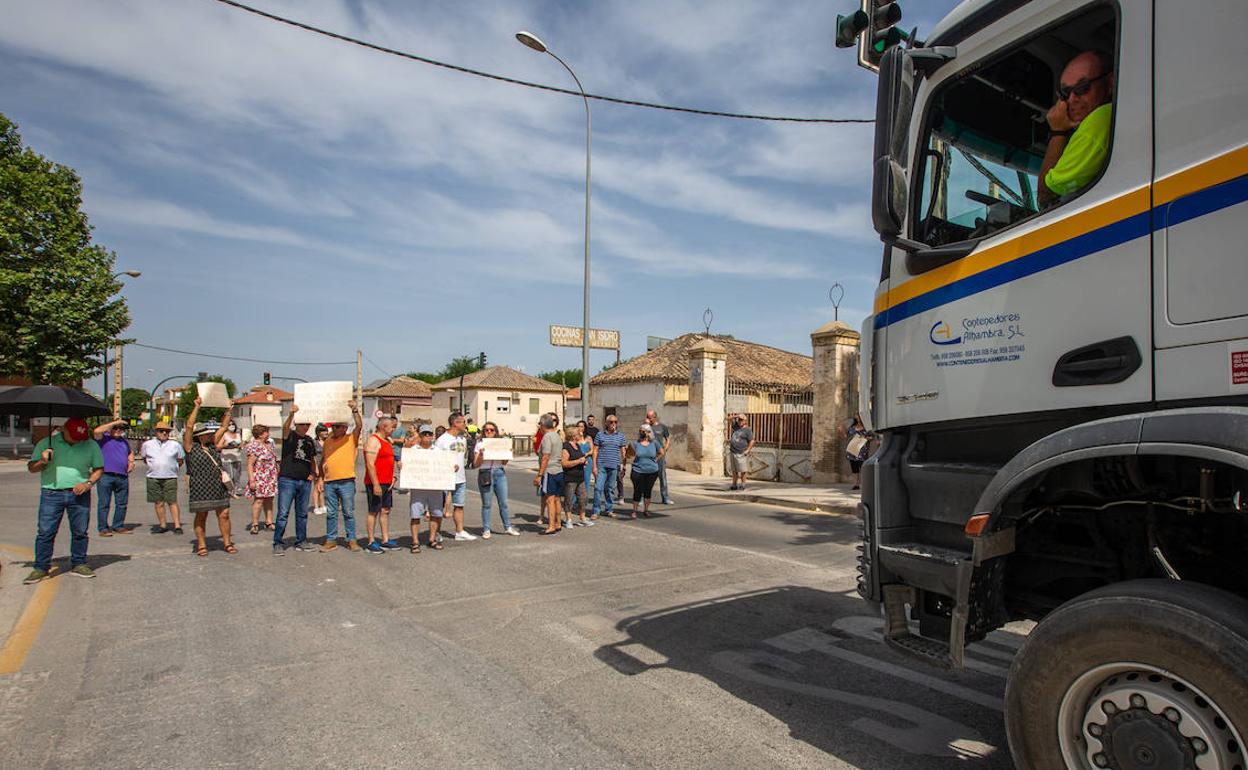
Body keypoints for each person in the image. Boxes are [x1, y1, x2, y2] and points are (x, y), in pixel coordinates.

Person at [24, 418, 104, 583]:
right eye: (73, 436)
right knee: (46, 532)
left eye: (80, 437)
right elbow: (32, 468)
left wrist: (88, 483)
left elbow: (98, 469)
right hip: (52, 493)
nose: (77, 440)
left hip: (80, 494)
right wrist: (42, 461)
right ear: (63, 430)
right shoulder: (47, 442)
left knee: (80, 532)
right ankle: (41, 567)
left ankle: (79, 563)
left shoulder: (90, 445)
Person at [1039, 50, 1114, 206]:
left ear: (1111, 83)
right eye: (1065, 92)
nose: (1072, 99)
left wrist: (1058, 132)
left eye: (1083, 87)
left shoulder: (1100, 118)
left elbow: (1047, 196)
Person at [183, 398, 237, 557]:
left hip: (217, 484)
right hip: (200, 485)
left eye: (208, 433)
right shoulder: (190, 447)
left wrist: (229, 410)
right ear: (199, 436)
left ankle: (227, 543)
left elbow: (224, 426)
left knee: (224, 513)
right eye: (205, 434)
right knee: (202, 514)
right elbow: (189, 426)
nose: (208, 435)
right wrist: (196, 407)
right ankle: (201, 544)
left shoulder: (214, 445)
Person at [273, 404, 319, 555]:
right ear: (297, 425)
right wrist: (291, 414)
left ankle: (301, 540)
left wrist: (314, 473)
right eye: (302, 424)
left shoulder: (309, 440)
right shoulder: (290, 436)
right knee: (283, 513)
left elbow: (312, 458)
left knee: (302, 513)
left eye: (307, 424)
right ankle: (278, 542)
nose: (305, 427)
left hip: (304, 481)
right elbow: (285, 428)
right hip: (288, 480)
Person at [319, 402, 363, 552]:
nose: (334, 429)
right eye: (333, 426)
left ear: (345, 427)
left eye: (338, 426)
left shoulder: (351, 438)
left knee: (348, 512)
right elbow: (323, 460)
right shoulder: (327, 442)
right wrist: (320, 478)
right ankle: (331, 539)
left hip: (346, 482)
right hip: (329, 482)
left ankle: (352, 540)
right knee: (331, 513)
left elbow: (359, 426)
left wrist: (355, 410)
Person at [435, 413, 476, 541]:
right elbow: (435, 459)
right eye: (463, 422)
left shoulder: (462, 439)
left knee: (459, 505)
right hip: (445, 478)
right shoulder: (442, 440)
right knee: (439, 506)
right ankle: (436, 532)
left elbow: (462, 456)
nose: (465, 425)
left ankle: (459, 531)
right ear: (455, 423)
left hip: (460, 478)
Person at [407, 424, 448, 551]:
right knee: (415, 515)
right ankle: (415, 541)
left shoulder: (438, 452)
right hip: (418, 488)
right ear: (419, 435)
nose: (427, 437)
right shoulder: (413, 451)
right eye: (424, 434)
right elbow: (407, 467)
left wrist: (452, 468)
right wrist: (402, 465)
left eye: (429, 434)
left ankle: (432, 539)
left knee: (436, 514)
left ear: (433, 436)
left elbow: (446, 466)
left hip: (435, 488)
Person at [473, 420, 518, 537]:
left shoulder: (501, 443)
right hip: (485, 473)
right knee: (487, 503)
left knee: (503, 502)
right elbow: (476, 464)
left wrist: (508, 454)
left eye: (491, 430)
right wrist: (481, 455)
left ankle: (507, 527)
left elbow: (504, 462)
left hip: (499, 473)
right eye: (486, 430)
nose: (489, 432)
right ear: (483, 431)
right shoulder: (480, 444)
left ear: (495, 432)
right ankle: (486, 529)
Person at [140, 421, 185, 534]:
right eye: (161, 431)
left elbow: (180, 460)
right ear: (156, 432)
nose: (164, 433)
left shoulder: (175, 445)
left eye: (167, 431)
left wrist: (172, 467)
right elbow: (145, 459)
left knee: (172, 501)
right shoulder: (147, 444)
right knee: (158, 502)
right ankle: (163, 524)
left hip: (170, 476)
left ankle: (177, 525)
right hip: (153, 476)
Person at [363, 415, 400, 554]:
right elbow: (370, 464)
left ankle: (385, 540)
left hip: (387, 482)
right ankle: (371, 541)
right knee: (373, 511)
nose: (393, 430)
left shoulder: (387, 441)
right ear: (384, 427)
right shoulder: (373, 441)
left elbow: (391, 460)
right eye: (392, 427)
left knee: (385, 510)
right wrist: (376, 484)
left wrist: (393, 477)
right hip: (376, 483)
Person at [92, 418, 134, 536]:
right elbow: (96, 431)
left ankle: (118, 525)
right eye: (115, 428)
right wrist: (114, 423)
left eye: (120, 428)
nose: (118, 430)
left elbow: (130, 452)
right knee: (104, 503)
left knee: (122, 503)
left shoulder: (124, 441)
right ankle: (103, 528)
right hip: (106, 475)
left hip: (122, 476)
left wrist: (131, 462)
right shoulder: (103, 438)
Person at [624, 423, 664, 519]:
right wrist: (628, 450)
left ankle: (646, 510)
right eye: (640, 431)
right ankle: (634, 511)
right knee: (637, 491)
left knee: (648, 491)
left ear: (649, 432)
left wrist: (655, 460)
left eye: (644, 431)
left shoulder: (654, 443)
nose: (641, 432)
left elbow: (662, 452)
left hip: (652, 471)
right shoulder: (635, 443)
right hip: (638, 471)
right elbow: (628, 455)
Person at [534, 414, 564, 535]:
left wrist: (539, 475)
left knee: (549, 499)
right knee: (557, 499)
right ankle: (558, 523)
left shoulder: (547, 437)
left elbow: (545, 456)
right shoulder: (557, 436)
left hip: (549, 471)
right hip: (559, 470)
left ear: (542, 425)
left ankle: (551, 525)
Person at [245, 423, 278, 534]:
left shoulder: (269, 444)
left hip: (270, 476)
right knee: (259, 500)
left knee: (270, 499)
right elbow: (250, 464)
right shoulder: (254, 446)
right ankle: (255, 523)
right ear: (260, 434)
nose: (268, 434)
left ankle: (269, 521)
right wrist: (251, 480)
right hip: (260, 476)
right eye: (266, 432)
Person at [593, 414, 627, 518]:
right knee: (598, 488)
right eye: (611, 422)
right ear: (606, 423)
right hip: (601, 465)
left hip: (614, 466)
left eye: (615, 422)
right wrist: (594, 466)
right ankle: (596, 511)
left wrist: (624, 466)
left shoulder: (621, 436)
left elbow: (623, 451)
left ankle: (609, 509)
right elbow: (595, 451)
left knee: (610, 489)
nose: (614, 424)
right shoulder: (600, 435)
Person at [561, 422, 592, 527]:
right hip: (570, 477)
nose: (580, 435)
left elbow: (580, 458)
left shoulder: (577, 445)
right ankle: (568, 520)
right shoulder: (566, 447)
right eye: (578, 434)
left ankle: (582, 518)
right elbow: (564, 463)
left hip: (580, 477)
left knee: (583, 498)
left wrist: (584, 462)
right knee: (569, 499)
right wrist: (578, 461)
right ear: (573, 436)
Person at [646, 409, 674, 505]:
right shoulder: (646, 427)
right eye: (647, 417)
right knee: (646, 477)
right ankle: (643, 498)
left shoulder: (662, 427)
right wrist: (646, 426)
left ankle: (665, 498)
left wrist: (665, 450)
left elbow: (668, 439)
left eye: (649, 417)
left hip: (660, 455)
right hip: (649, 455)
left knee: (662, 476)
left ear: (654, 417)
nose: (648, 419)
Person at [845, 413, 873, 491]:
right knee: (854, 469)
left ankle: (865, 484)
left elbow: (872, 437)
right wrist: (842, 431)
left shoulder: (866, 428)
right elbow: (847, 437)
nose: (857, 417)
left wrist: (867, 438)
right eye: (856, 415)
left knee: (863, 468)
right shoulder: (851, 428)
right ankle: (856, 484)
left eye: (858, 415)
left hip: (862, 451)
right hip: (852, 451)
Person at [728, 414, 755, 491]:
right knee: (734, 470)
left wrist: (748, 450)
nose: (740, 421)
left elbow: (752, 441)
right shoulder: (736, 426)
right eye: (739, 420)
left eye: (741, 420)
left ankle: (743, 484)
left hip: (741, 452)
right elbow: (728, 418)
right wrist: (736, 416)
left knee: (743, 470)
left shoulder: (747, 430)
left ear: (745, 421)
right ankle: (734, 484)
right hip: (733, 451)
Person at [575, 419, 596, 519]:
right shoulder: (575, 438)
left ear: (585, 428)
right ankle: (575, 503)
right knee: (576, 482)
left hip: (588, 462)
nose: (580, 428)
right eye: (579, 426)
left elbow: (592, 450)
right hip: (578, 461)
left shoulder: (588, 438)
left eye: (582, 426)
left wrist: (586, 455)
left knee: (586, 482)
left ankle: (583, 503)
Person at [220, 420, 244, 497]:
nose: (232, 426)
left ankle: (235, 490)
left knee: (237, 475)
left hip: (237, 457)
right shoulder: (224, 435)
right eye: (230, 425)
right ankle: (229, 490)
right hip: (227, 458)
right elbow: (219, 446)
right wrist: (226, 445)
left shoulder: (238, 435)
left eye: (233, 424)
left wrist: (241, 446)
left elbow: (241, 444)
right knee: (230, 475)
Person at [311, 424, 329, 515]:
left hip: (325, 466)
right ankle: (316, 506)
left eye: (326, 430)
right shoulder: (314, 442)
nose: (326, 432)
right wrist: (316, 468)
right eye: (323, 431)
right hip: (317, 465)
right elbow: (313, 456)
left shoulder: (328, 441)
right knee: (316, 486)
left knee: (322, 487)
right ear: (318, 433)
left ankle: (322, 505)